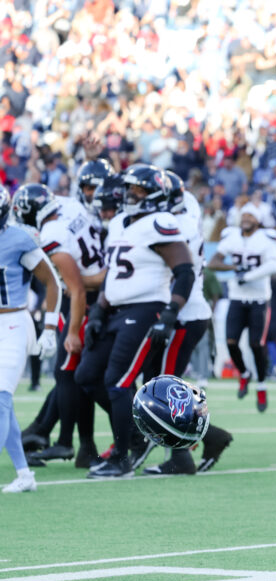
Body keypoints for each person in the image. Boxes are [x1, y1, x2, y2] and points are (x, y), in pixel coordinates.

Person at [76, 164, 196, 479]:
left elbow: (185, 271)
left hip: (145, 309)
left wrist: (170, 314)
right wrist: (99, 310)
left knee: (118, 381)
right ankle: (138, 433)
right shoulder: (117, 223)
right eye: (131, 188)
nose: (131, 194)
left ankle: (122, 456)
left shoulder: (161, 222)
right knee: (87, 375)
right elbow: (114, 274)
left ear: (155, 195)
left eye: (139, 190)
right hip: (115, 309)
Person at [144, 170, 233, 475]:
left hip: (184, 311)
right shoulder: (189, 207)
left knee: (166, 386)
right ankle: (211, 436)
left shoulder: (174, 224)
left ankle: (181, 456)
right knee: (156, 380)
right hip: (186, 309)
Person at [11, 184, 96, 466]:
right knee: (76, 376)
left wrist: (71, 330)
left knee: (74, 375)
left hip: (86, 301)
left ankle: (67, 441)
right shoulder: (69, 206)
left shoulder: (50, 235)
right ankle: (67, 440)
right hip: (92, 293)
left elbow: (76, 288)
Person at [0, 185, 61, 493]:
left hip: (12, 323)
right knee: (4, 406)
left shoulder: (18, 239)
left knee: (1, 400)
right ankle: (25, 475)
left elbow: (52, 283)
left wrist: (49, 328)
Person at [208, 203, 276, 412]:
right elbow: (213, 262)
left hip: (259, 299)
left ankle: (261, 385)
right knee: (231, 342)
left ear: (258, 220)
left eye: (251, 215)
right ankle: (244, 373)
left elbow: (274, 266)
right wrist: (235, 267)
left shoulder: (265, 239)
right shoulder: (232, 237)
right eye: (244, 215)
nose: (246, 218)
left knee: (256, 344)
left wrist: (248, 275)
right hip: (237, 298)